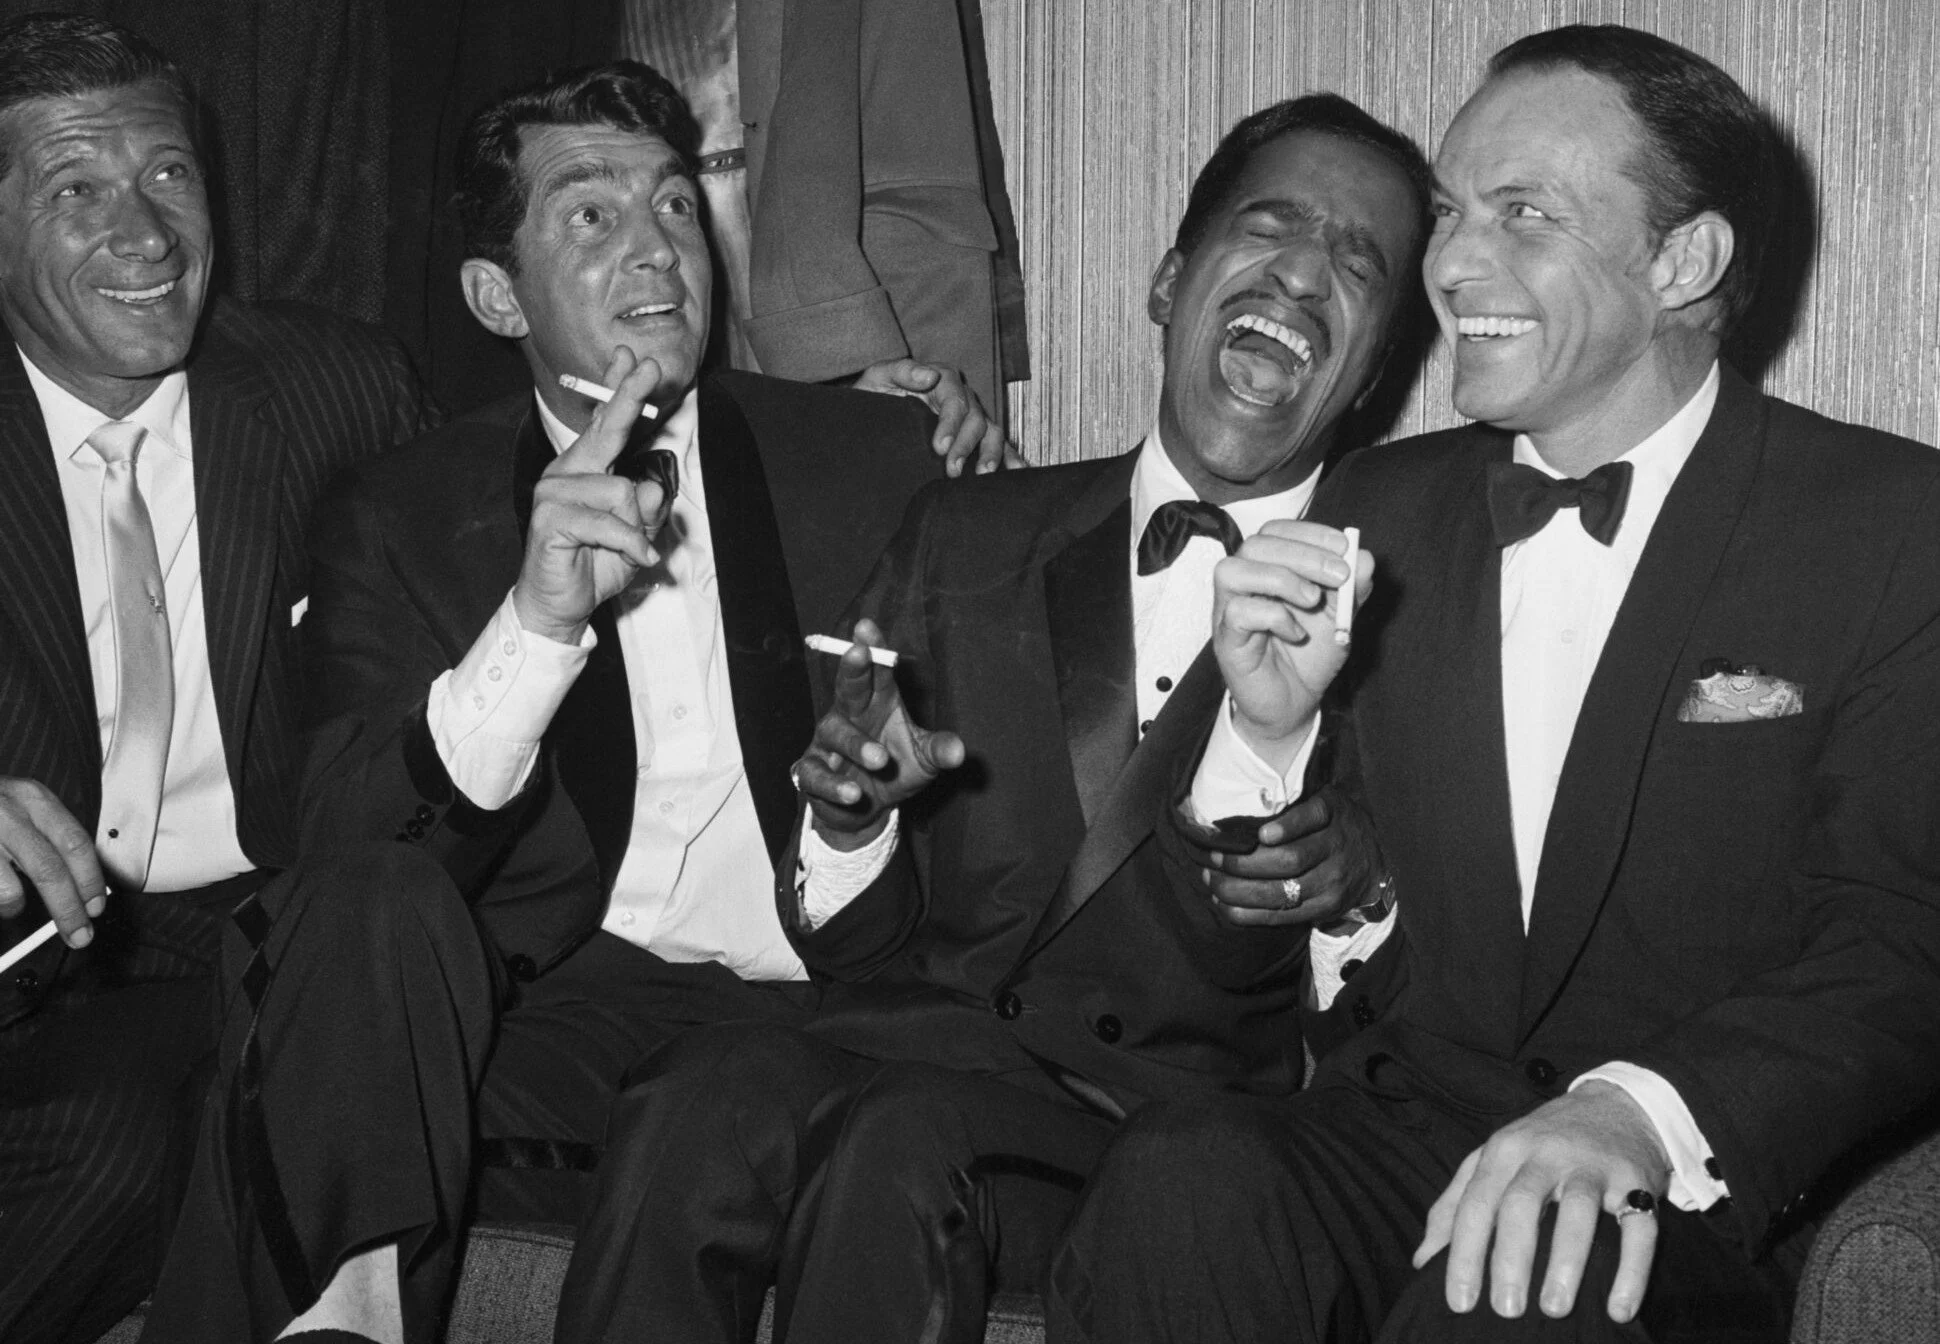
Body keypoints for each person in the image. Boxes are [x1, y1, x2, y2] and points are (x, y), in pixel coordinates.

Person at [1045, 24, 1940, 1344]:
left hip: (1684, 1190)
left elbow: (1900, 948)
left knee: (1523, 1298)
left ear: (1683, 260)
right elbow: (1232, 957)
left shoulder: (1889, 528)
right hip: (1403, 1132)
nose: (1452, 263)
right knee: (1182, 1178)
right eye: (1456, 212)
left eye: (1523, 213)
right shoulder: (1375, 511)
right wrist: (1267, 736)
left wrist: (1637, 1114)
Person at [136, 59, 997, 1344]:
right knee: (322, 965)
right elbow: (338, 843)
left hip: (824, 1005)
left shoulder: (879, 459)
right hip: (564, 1006)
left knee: (730, 1088)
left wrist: (867, 809)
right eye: (590, 216)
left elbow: (1001, 776)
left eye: (671, 208)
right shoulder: (402, 512)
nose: (655, 251)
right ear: (496, 295)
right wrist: (534, 629)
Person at [549, 92, 1429, 1344]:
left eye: (1355, 262)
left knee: (901, 1137)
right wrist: (850, 822)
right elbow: (847, 941)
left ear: (1378, 363)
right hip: (888, 1041)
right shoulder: (965, 530)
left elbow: (1397, 1022)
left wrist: (1350, 887)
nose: (1298, 275)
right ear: (1169, 283)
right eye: (1268, 227)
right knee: (695, 1088)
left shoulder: (1405, 607)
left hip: (1134, 1131)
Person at [0, 14, 437, 1344]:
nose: (146, 237)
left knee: (157, 1127)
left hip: (259, 933)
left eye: (170, 177)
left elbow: (508, 536)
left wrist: (833, 426)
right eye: (79, 189)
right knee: (124, 1129)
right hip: (21, 952)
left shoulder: (333, 389)